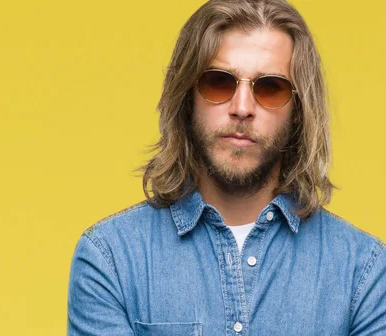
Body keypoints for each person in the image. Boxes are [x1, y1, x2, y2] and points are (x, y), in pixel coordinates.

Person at [67, 0, 386, 335]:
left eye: (270, 87)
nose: (242, 108)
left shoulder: (364, 273)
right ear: (186, 96)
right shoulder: (111, 259)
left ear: (299, 110)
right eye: (219, 82)